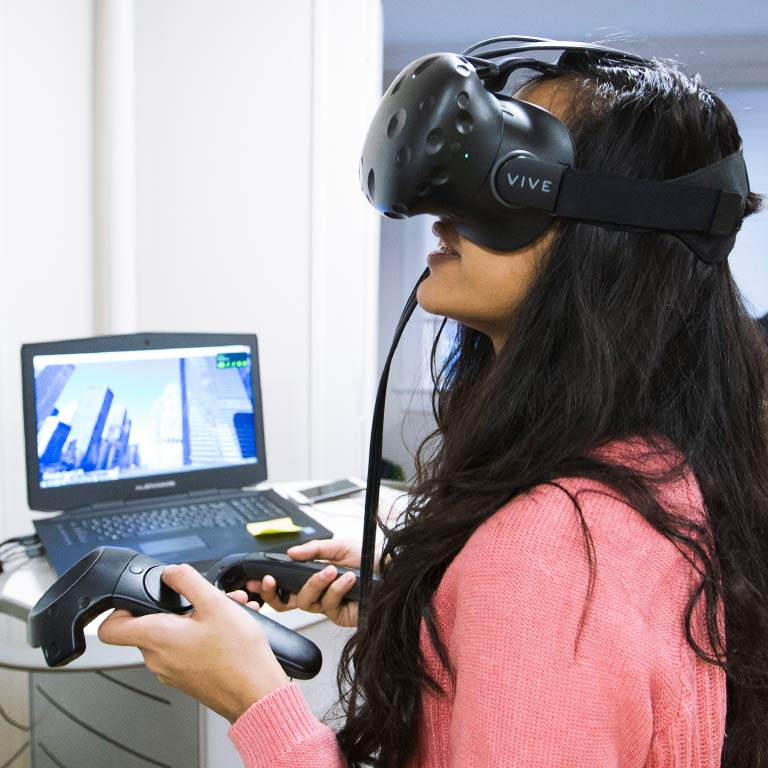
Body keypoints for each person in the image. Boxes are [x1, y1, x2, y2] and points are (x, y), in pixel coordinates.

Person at [98, 51, 768, 768]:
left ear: (610, 232)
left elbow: (554, 609)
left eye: (502, 170)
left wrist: (254, 699)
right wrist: (432, 597)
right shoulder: (650, 467)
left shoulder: (552, 552)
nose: (440, 211)